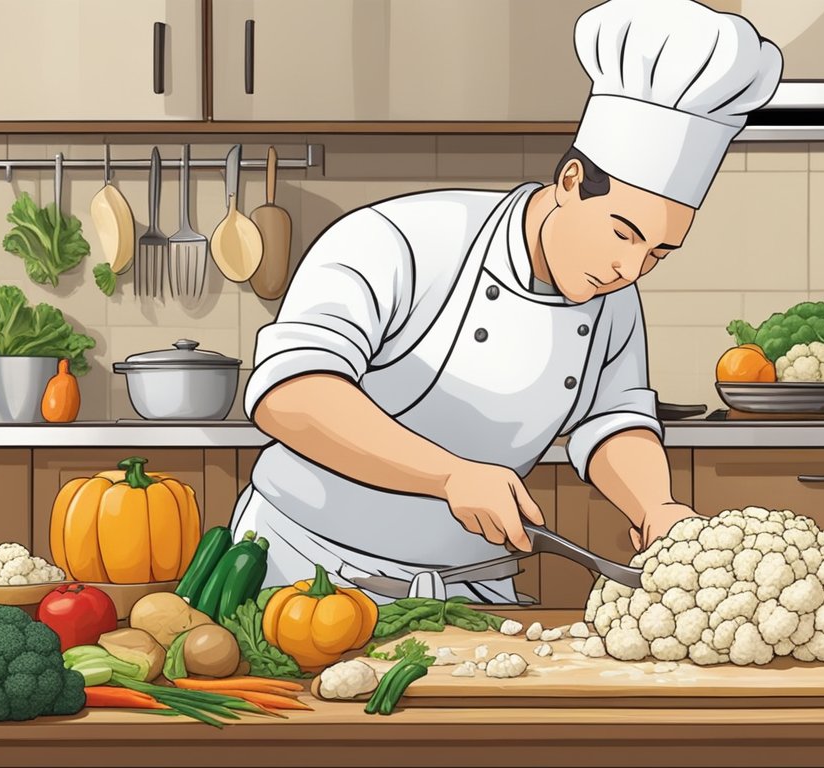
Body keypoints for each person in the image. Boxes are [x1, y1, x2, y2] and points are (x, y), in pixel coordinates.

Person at [231, 0, 783, 603]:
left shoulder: (612, 297)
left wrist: (656, 506)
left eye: (659, 252)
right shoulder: (402, 240)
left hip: (471, 592)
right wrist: (450, 475)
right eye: (624, 233)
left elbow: (612, 420)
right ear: (571, 181)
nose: (631, 268)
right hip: (306, 575)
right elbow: (291, 392)